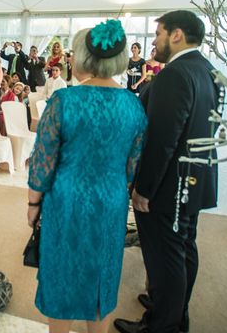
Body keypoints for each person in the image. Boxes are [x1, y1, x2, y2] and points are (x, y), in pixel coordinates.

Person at [28, 20, 147, 333]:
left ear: (82, 57)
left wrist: (33, 201)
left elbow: (43, 157)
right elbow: (133, 165)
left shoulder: (64, 101)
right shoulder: (133, 105)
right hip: (110, 198)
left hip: (66, 197)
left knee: (63, 269)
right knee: (103, 270)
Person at [115, 11, 221, 333]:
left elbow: (162, 139)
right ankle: (173, 309)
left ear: (176, 35)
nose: (154, 40)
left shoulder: (175, 74)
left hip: (169, 186)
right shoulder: (210, 71)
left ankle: (162, 325)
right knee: (185, 247)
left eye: (158, 33)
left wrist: (144, 189)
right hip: (196, 178)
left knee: (166, 257)